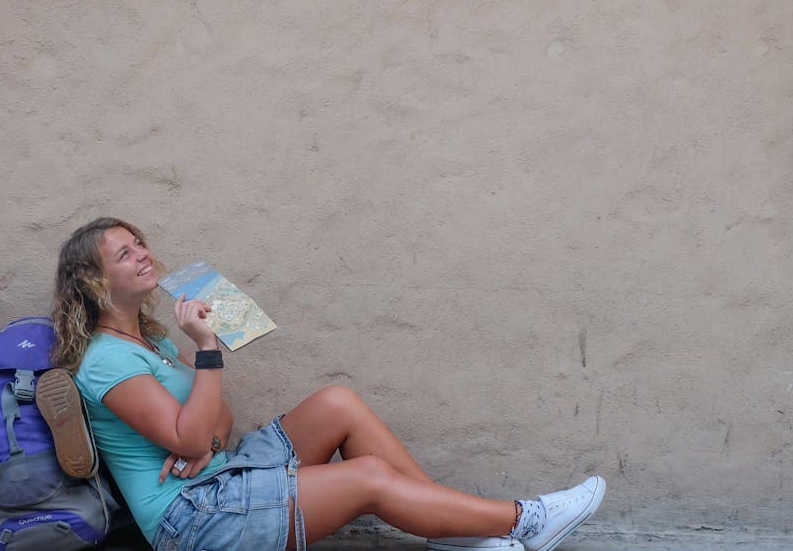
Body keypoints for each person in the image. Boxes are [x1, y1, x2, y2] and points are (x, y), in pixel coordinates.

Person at [46, 217, 606, 551]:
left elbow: (218, 421)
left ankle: (455, 529)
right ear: (96, 283)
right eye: (125, 253)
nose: (143, 253)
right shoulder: (105, 361)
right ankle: (525, 519)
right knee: (365, 479)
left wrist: (203, 441)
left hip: (222, 474)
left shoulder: (152, 341)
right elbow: (192, 433)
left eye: (139, 243)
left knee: (337, 402)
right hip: (192, 519)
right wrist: (209, 351)